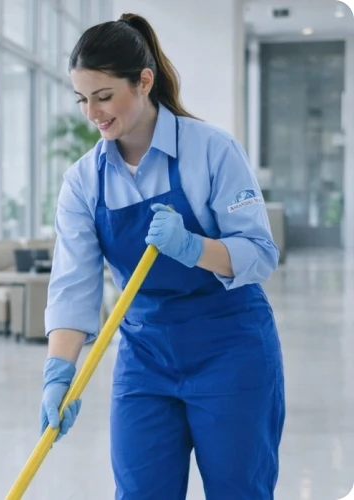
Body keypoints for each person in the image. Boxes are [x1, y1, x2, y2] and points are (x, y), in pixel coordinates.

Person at [39, 13, 285, 500]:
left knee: (240, 491)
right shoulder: (85, 181)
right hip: (145, 355)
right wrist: (58, 372)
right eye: (82, 99)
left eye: (104, 96)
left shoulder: (212, 150)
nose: (92, 113)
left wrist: (195, 248)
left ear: (144, 81)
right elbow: (73, 285)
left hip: (230, 348)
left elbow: (260, 254)